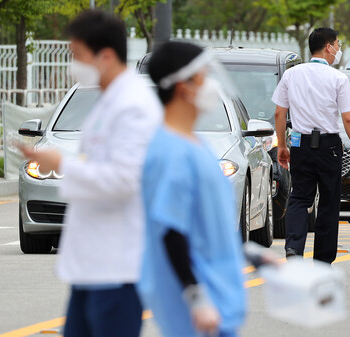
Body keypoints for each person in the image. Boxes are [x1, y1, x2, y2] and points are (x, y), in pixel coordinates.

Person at [20, 10, 162, 336]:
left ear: (106, 55)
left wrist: (62, 164)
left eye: (76, 55)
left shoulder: (134, 105)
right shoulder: (108, 100)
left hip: (116, 265)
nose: (73, 64)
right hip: (91, 263)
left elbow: (126, 179)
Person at [139, 41, 247, 337]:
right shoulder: (171, 151)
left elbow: (207, 227)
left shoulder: (194, 144)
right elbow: (172, 232)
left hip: (218, 300)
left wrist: (253, 256)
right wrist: (195, 297)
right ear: (183, 86)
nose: (211, 84)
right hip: (199, 313)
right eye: (203, 75)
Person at [271, 27, 350, 264]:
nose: (338, 50)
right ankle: (322, 260)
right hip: (329, 146)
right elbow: (348, 118)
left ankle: (293, 248)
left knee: (300, 197)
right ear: (327, 47)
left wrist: (282, 146)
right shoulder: (338, 78)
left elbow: (279, 113)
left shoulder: (292, 75)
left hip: (300, 144)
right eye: (338, 45)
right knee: (329, 200)